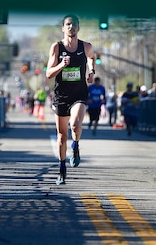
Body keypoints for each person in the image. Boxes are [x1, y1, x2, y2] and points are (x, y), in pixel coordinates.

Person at [45, 14, 95, 185]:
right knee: (61, 136)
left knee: (75, 125)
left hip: (79, 93)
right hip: (61, 95)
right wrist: (61, 65)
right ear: (63, 28)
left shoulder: (86, 46)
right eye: (68, 24)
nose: (71, 27)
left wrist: (92, 72)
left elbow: (91, 58)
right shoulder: (56, 47)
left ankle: (76, 145)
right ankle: (61, 168)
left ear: (78, 28)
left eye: (74, 24)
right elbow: (48, 74)